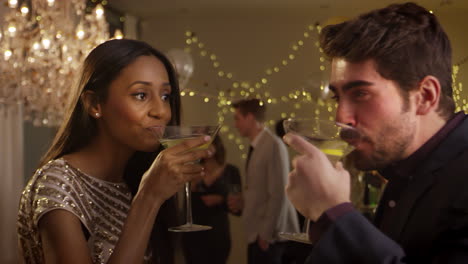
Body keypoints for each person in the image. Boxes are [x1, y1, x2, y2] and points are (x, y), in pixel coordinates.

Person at [284, 2, 468, 263]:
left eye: (361, 93)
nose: (341, 118)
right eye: (338, 98)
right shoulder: (403, 170)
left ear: (425, 96)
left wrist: (333, 212)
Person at [17, 39, 213, 264]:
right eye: (141, 95)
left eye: (166, 96)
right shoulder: (57, 183)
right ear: (94, 104)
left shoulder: (132, 180)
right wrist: (149, 198)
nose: (161, 111)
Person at [229, 98, 299, 264]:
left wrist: (266, 235)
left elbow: (279, 192)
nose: (235, 124)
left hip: (269, 236)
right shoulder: (257, 145)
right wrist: (243, 200)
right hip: (256, 233)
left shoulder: (273, 144)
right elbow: (260, 189)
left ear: (250, 118)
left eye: (237, 118)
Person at [182, 135, 241, 264]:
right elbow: (186, 203)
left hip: (218, 234)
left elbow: (238, 209)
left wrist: (221, 200)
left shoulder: (231, 171)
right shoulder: (193, 169)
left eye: (206, 143)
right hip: (194, 236)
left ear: (216, 146)